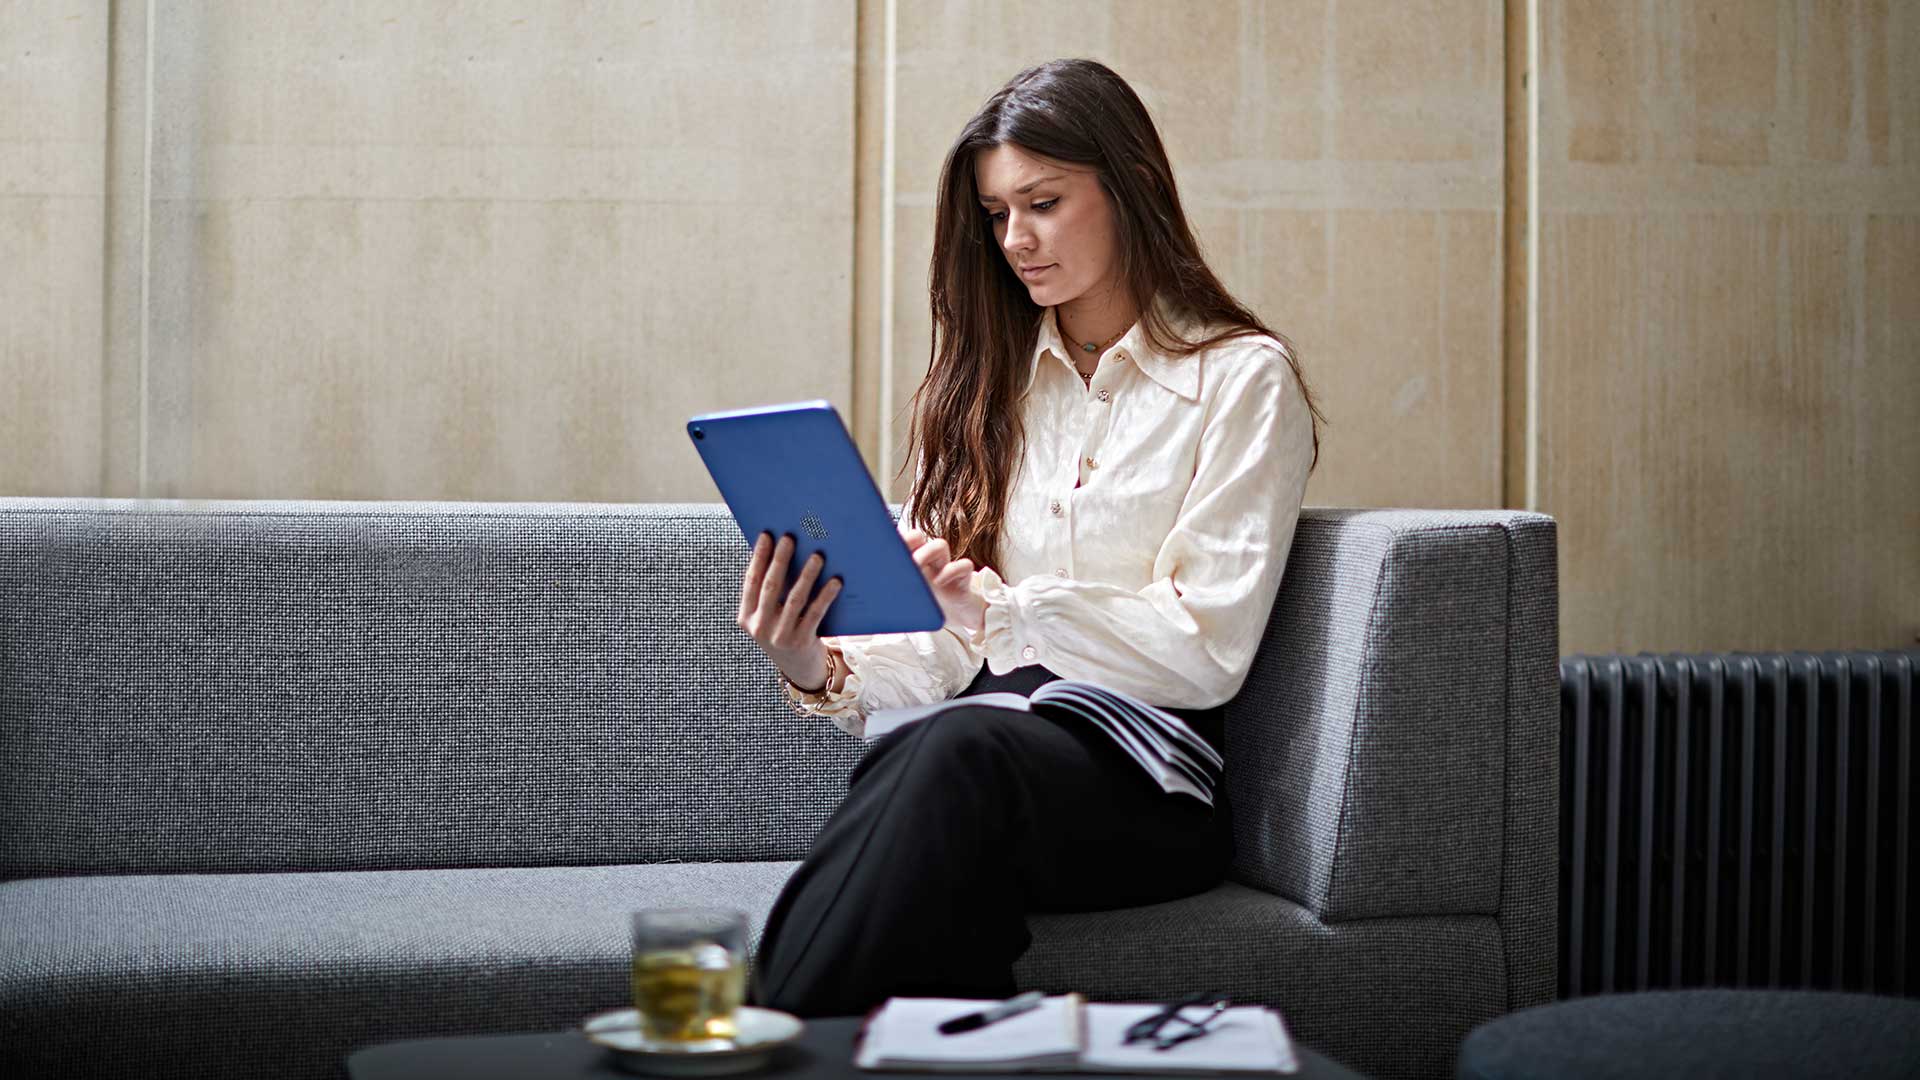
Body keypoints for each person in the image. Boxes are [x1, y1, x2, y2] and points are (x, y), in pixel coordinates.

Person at [738, 58, 1322, 1018]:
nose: (1016, 239)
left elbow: (1207, 650)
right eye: (996, 213)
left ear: (1128, 185)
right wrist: (812, 658)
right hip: (973, 761)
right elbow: (938, 653)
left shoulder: (1242, 380)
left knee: (949, 756)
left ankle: (764, 1035)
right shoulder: (980, 391)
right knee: (933, 791)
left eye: (1043, 203)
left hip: (1148, 780)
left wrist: (1007, 613)